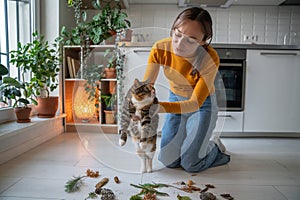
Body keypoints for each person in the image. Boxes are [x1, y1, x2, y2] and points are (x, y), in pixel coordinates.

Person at [142, 7, 230, 173]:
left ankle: (214, 147)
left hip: (203, 106)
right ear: (173, 28)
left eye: (191, 40)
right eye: (177, 34)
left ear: (204, 40)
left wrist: (159, 107)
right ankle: (195, 144)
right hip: (176, 100)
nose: (180, 44)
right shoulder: (160, 48)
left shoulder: (210, 58)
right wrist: (138, 101)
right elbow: (147, 85)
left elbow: (195, 103)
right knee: (168, 160)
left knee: (191, 163)